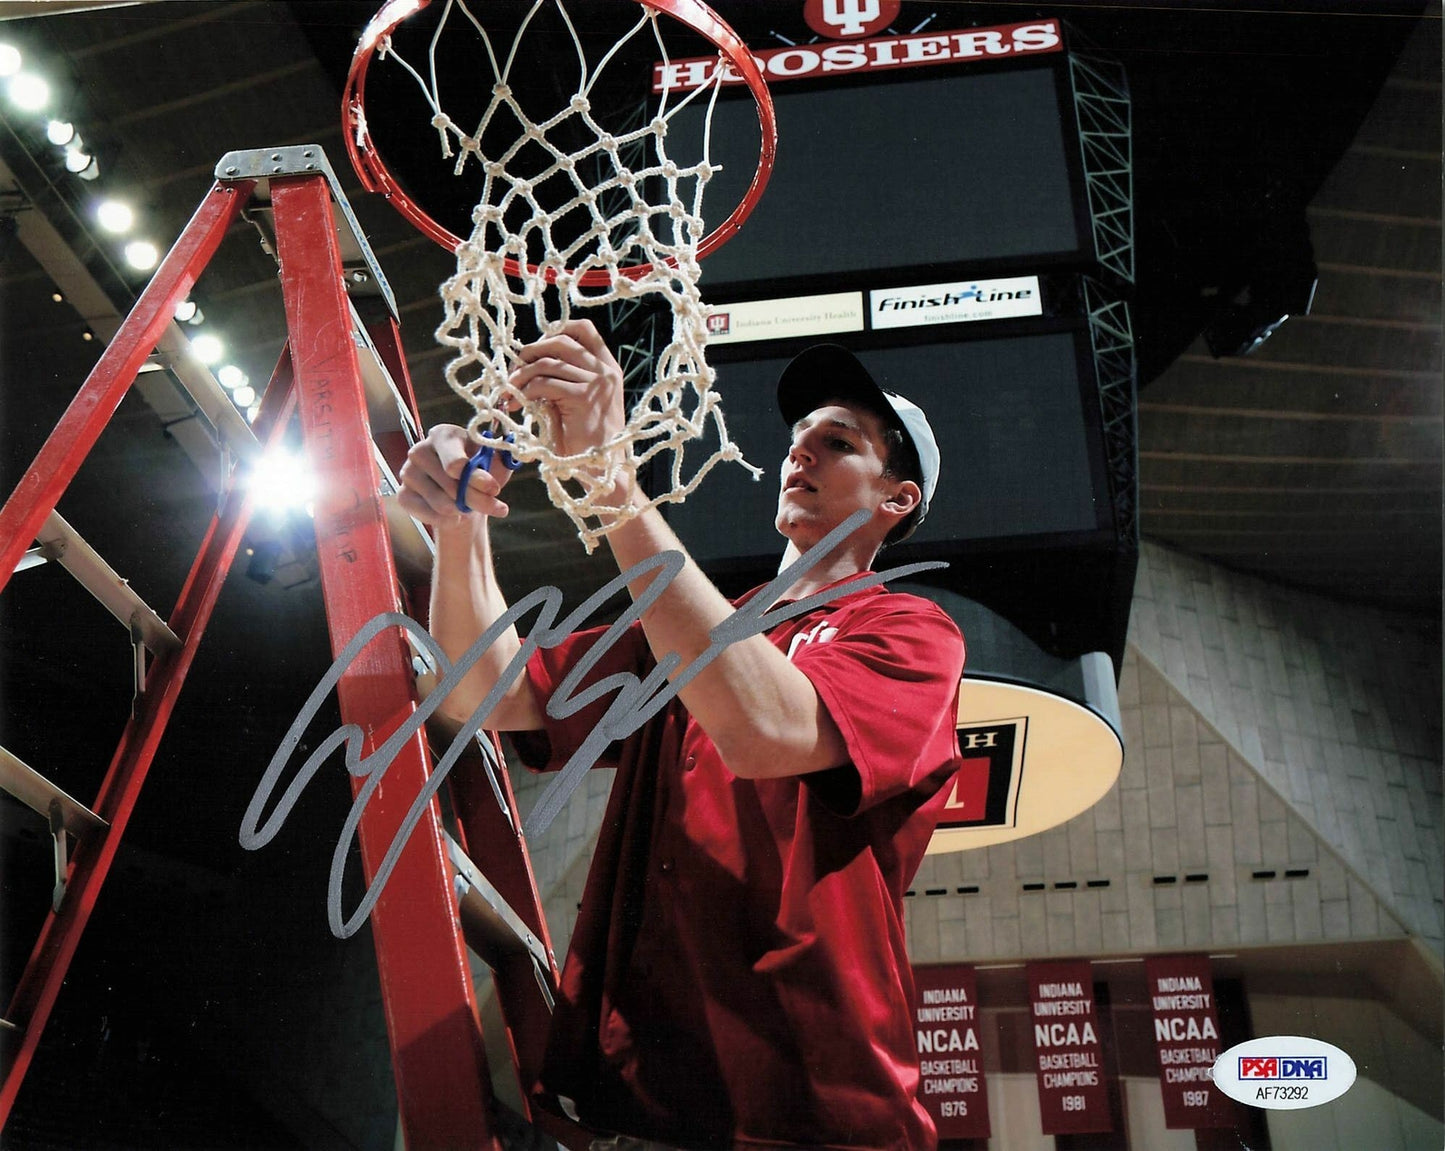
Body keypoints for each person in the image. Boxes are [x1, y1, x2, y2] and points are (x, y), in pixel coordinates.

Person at [398, 323, 965, 1151]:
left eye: (837, 442)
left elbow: (765, 729)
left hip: (809, 1112)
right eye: (797, 440)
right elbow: (490, 690)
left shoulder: (911, 631)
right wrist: (458, 522)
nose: (800, 453)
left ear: (895, 499)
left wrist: (611, 481)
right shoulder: (691, 624)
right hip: (643, 1104)